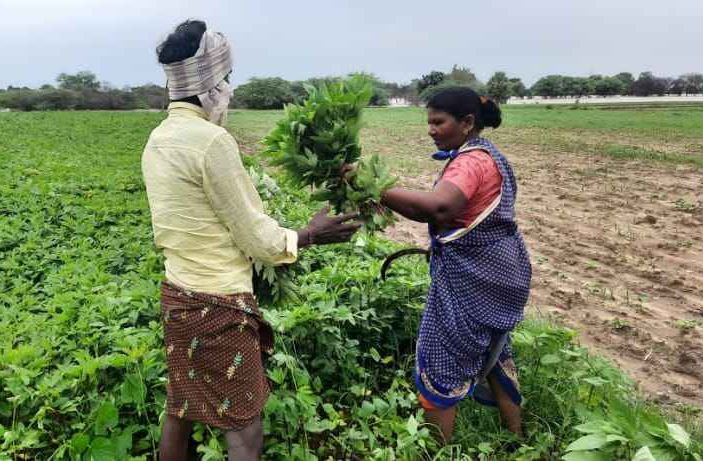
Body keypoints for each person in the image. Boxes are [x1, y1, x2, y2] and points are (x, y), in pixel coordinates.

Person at [141, 20, 362, 461]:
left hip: (177, 295)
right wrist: (310, 234)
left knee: (181, 407)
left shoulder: (158, 139)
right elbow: (257, 237)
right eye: (226, 79)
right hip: (218, 303)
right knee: (244, 425)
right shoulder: (210, 141)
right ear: (209, 86)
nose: (229, 90)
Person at [365, 87, 531, 442]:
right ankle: (518, 439)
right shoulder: (489, 155)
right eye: (429, 122)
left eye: (438, 122)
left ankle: (440, 450)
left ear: (467, 122)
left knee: (440, 356)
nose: (431, 129)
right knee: (496, 350)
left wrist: (372, 187)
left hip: (473, 278)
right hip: (501, 274)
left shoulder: (471, 162)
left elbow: (439, 207)